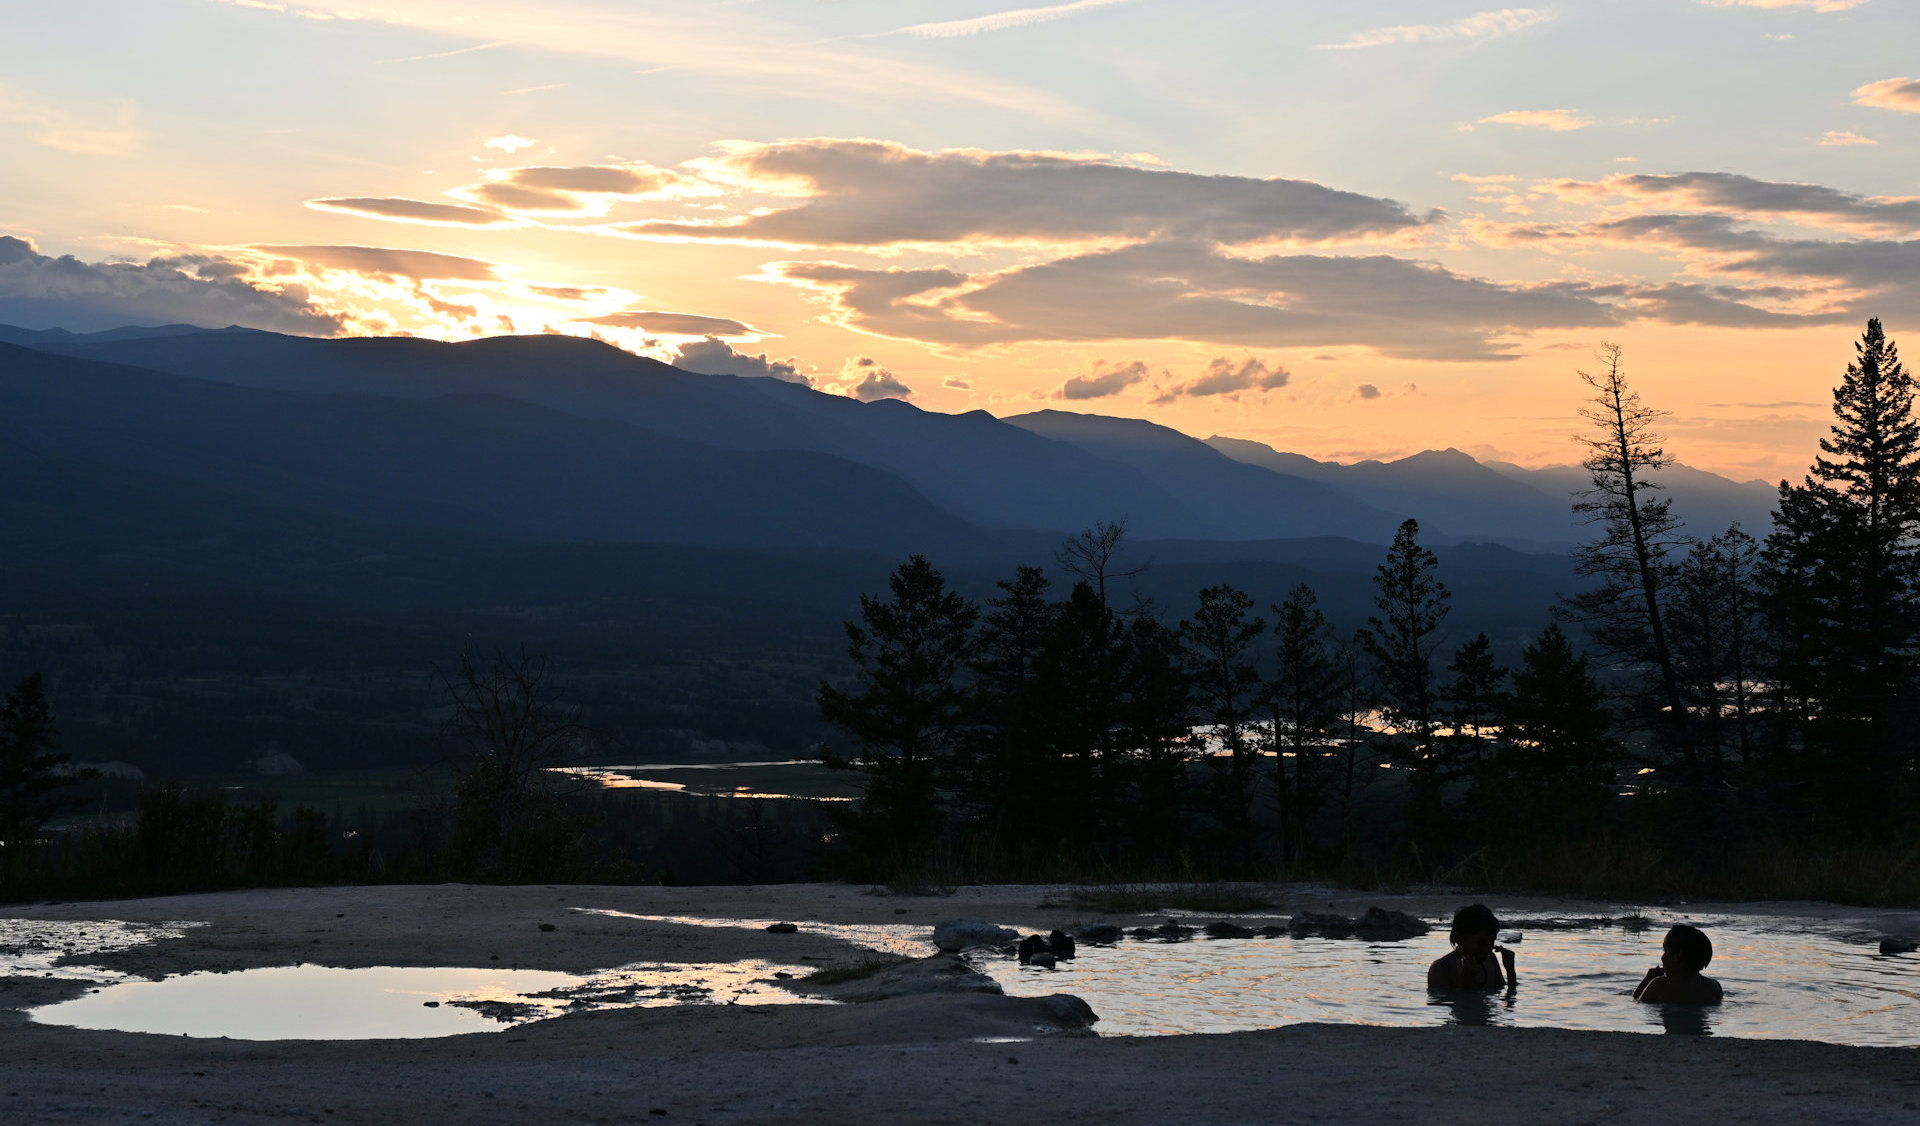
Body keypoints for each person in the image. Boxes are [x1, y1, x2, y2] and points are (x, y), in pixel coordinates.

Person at [1428, 904, 1516, 992]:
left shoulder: (1490, 959)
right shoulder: (1440, 969)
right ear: (1459, 939)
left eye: (1491, 942)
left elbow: (1506, 995)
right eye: (1481, 943)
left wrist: (1510, 971)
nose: (1487, 950)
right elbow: (1456, 1003)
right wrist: (1465, 983)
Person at [1632, 923, 1723, 1005]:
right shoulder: (1714, 986)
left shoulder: (1659, 985)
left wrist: (1647, 980)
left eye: (1665, 951)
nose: (1662, 958)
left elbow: (1638, 1001)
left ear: (1677, 956)